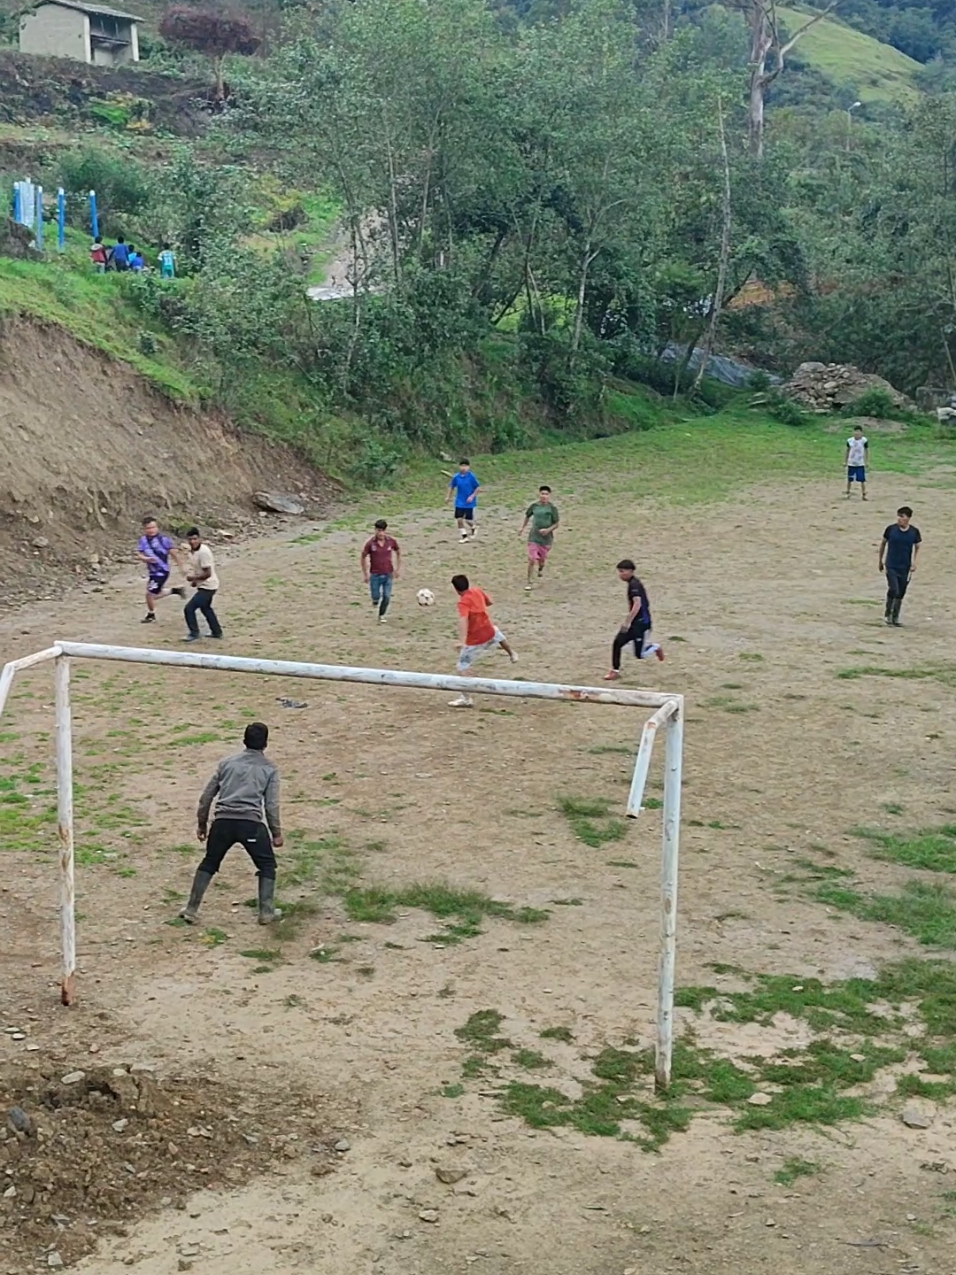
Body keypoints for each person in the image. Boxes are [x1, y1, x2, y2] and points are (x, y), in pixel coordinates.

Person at [179, 722, 284, 926]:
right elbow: (271, 805)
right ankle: (266, 912)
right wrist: (276, 833)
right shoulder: (269, 769)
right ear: (266, 743)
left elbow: (206, 796)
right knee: (267, 865)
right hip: (251, 824)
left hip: (223, 822)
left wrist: (202, 824)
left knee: (210, 862)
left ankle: (191, 909)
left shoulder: (227, 763)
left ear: (244, 740)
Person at [449, 574, 517, 707]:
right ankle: (512, 653)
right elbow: (489, 602)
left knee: (461, 666)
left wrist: (462, 642)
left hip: (476, 639)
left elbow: (463, 620)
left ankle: (466, 698)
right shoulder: (477, 591)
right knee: (497, 633)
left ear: (456, 589)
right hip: (488, 631)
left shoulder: (463, 602)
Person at [604, 559, 664, 680]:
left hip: (641, 624)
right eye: (619, 572)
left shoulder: (634, 585)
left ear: (631, 571)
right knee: (617, 643)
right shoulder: (632, 584)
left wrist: (627, 622)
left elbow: (637, 604)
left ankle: (655, 647)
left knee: (639, 655)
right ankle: (615, 671)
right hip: (634, 623)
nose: (621, 574)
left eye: (623, 571)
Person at [136, 517, 186, 624]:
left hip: (161, 571)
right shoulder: (143, 540)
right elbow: (139, 554)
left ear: (157, 527)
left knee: (149, 594)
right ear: (144, 529)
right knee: (154, 593)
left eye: (153, 527)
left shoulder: (163, 540)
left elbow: (174, 554)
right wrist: (146, 559)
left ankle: (151, 614)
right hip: (152, 571)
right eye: (148, 528)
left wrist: (181, 566)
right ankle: (175, 591)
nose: (151, 530)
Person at [879, 505, 921, 626]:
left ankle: (895, 616)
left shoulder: (914, 532)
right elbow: (883, 544)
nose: (899, 519)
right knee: (894, 589)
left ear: (908, 518)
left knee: (901, 591)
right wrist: (880, 560)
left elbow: (918, 547)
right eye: (898, 516)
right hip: (891, 564)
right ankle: (888, 613)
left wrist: (914, 562)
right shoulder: (891, 529)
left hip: (905, 566)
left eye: (902, 516)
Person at [183, 527, 223, 642]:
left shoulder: (203, 552)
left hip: (208, 586)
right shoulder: (193, 552)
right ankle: (217, 632)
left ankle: (194, 633)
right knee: (206, 608)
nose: (192, 542)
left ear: (199, 539)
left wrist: (193, 578)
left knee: (189, 609)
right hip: (206, 585)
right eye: (190, 539)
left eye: (195, 539)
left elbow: (207, 573)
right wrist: (196, 581)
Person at [519, 485, 559, 590]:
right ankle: (529, 581)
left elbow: (556, 524)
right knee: (531, 559)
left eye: (546, 494)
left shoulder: (552, 509)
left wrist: (548, 530)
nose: (544, 496)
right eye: (542, 494)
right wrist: (522, 528)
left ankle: (541, 568)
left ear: (549, 496)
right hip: (534, 537)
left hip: (546, 539)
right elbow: (527, 516)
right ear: (539, 494)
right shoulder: (534, 506)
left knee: (541, 559)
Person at [361, 519, 401, 623]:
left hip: (388, 574)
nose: (380, 533)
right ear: (375, 530)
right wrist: (365, 574)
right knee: (376, 596)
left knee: (387, 596)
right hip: (375, 574)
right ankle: (375, 600)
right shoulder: (370, 544)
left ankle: (382, 614)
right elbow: (363, 556)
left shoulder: (391, 541)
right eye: (378, 530)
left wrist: (397, 569)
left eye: (382, 530)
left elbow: (398, 551)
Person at [445, 459, 480, 541]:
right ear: (459, 467)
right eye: (462, 466)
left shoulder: (471, 477)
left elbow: (477, 488)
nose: (464, 468)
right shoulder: (456, 477)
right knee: (459, 519)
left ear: (469, 467)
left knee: (468, 520)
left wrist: (472, 496)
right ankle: (464, 536)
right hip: (459, 501)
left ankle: (474, 527)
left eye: (465, 466)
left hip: (469, 502)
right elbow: (451, 486)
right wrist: (448, 497)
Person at [845, 426, 868, 500]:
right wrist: (845, 461)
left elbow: (866, 451)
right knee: (850, 479)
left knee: (862, 479)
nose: (857, 433)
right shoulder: (850, 441)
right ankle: (848, 493)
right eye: (855, 431)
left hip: (860, 463)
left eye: (859, 432)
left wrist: (866, 461)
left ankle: (864, 494)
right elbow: (847, 451)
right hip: (851, 462)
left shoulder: (864, 440)